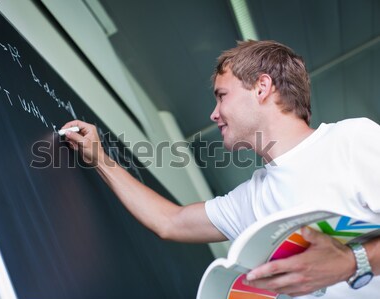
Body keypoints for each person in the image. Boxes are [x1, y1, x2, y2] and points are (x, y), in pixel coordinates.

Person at [62, 40, 380, 298]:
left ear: (261, 87)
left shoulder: (352, 140)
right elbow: (169, 222)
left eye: (221, 96)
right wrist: (100, 159)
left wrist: (352, 262)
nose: (214, 114)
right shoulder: (250, 200)